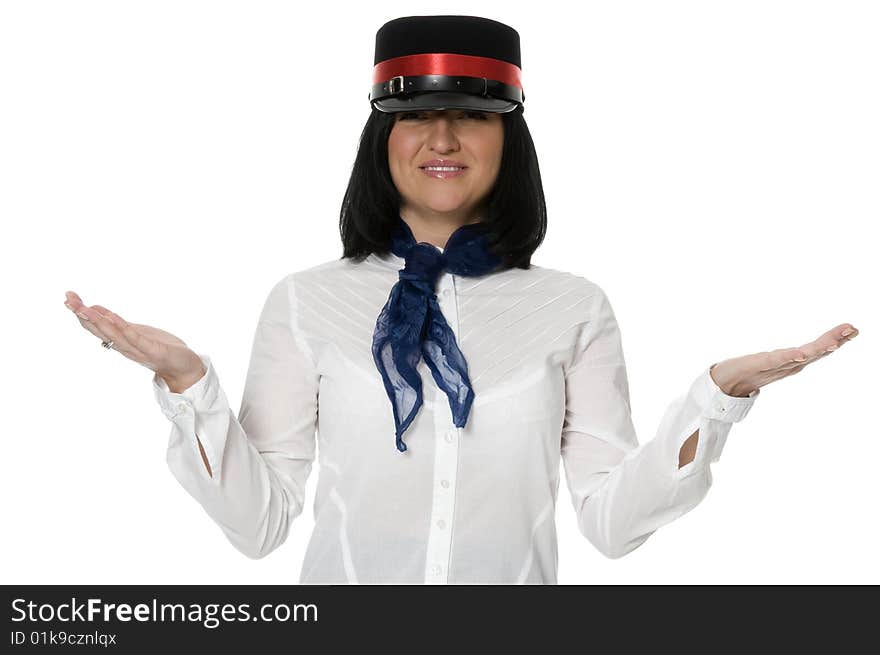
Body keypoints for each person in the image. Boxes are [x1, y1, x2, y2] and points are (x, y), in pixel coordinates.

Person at [63, 15, 858, 584]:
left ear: (508, 139)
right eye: (415, 115)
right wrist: (186, 384)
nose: (442, 139)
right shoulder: (307, 301)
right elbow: (261, 525)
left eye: (472, 116)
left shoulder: (573, 307)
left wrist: (716, 397)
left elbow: (611, 525)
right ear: (384, 138)